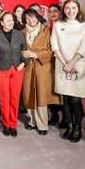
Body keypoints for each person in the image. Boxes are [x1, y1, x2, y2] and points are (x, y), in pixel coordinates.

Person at [51, 0, 85, 142]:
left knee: (76, 98)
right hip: (61, 64)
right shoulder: (58, 24)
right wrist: (65, 63)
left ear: (78, 9)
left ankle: (77, 128)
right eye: (67, 8)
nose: (70, 11)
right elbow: (54, 44)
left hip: (78, 64)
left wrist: (71, 63)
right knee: (66, 98)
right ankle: (69, 126)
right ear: (64, 10)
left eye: (74, 8)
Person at [21, 8, 59, 136]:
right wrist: (23, 53)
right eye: (27, 18)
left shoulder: (46, 31)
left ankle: (42, 124)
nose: (30, 20)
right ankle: (32, 121)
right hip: (28, 67)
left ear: (37, 17)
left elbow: (52, 49)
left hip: (43, 66)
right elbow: (18, 48)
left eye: (32, 17)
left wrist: (36, 54)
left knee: (41, 96)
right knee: (29, 94)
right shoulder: (22, 32)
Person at [0, 11, 28, 137]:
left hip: (17, 69)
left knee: (15, 98)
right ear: (1, 22)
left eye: (12, 20)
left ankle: (13, 124)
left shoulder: (19, 34)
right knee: (4, 98)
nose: (11, 22)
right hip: (2, 69)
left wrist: (24, 62)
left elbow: (24, 50)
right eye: (8, 20)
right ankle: (6, 124)